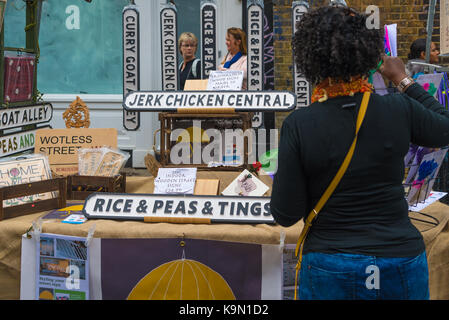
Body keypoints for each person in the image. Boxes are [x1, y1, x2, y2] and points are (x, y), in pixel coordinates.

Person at [270, 5, 449, 300]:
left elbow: (285, 214)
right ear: (370, 53)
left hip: (331, 262)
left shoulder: (299, 125)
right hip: (399, 259)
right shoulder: (398, 109)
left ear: (310, 57)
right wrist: (402, 79)